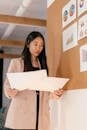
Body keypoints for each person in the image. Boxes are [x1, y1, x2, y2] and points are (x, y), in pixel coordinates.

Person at [4, 31, 63, 130]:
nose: (38, 48)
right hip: (23, 112)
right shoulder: (16, 63)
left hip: (40, 113)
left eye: (41, 46)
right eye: (35, 44)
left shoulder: (43, 66)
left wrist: (54, 94)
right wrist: (10, 92)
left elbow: (45, 91)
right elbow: (7, 85)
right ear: (28, 44)